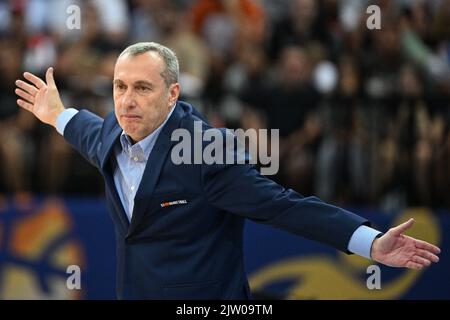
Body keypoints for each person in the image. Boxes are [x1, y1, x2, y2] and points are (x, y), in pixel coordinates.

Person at [15, 42, 440, 299]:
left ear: (172, 94)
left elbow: (283, 207)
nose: (127, 100)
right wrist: (57, 114)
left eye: (142, 88)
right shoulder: (112, 131)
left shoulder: (205, 152)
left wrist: (371, 243)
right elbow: (86, 130)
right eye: (120, 87)